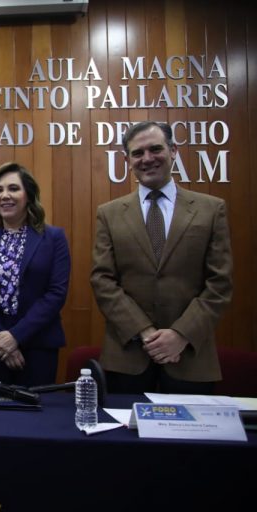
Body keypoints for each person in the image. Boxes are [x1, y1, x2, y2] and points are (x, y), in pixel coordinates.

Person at [91, 120, 233, 394]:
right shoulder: (108, 213)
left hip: (189, 356)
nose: (147, 159)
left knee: (190, 438)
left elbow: (220, 285)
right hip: (127, 357)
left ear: (173, 151)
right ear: (127, 160)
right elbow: (102, 281)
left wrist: (180, 335)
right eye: (137, 153)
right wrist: (144, 332)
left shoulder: (210, 210)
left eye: (155, 149)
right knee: (121, 437)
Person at [0, 163, 71, 388]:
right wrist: (0, 339)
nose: (5, 195)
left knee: (35, 418)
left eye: (13, 188)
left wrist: (16, 336)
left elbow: (56, 293)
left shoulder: (54, 238)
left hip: (38, 344)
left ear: (29, 195)